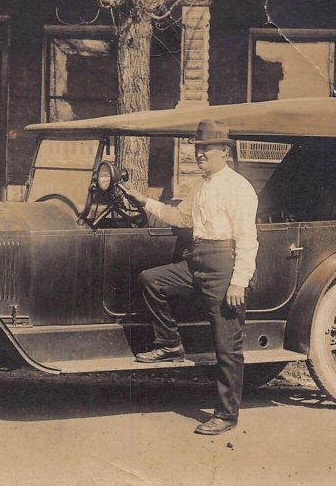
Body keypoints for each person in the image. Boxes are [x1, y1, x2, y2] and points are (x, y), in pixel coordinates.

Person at [123, 119, 259, 435]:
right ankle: (170, 344)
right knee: (152, 280)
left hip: (224, 264)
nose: (199, 155)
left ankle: (226, 415)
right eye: (197, 150)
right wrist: (145, 202)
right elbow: (181, 217)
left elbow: (247, 237)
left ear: (224, 152)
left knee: (226, 343)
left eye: (206, 150)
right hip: (195, 260)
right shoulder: (199, 186)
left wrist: (238, 280)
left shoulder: (239, 188)